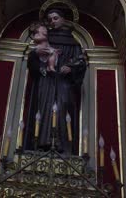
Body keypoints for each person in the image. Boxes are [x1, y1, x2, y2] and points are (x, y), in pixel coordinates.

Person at [24, 9, 86, 154]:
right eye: (50, 19)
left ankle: (62, 144)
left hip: (64, 83)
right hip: (46, 82)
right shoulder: (44, 37)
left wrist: (70, 68)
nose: (53, 21)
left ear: (63, 19)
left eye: (56, 18)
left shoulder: (73, 43)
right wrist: (36, 56)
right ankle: (42, 143)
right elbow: (33, 62)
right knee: (44, 108)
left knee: (63, 107)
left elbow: (81, 62)